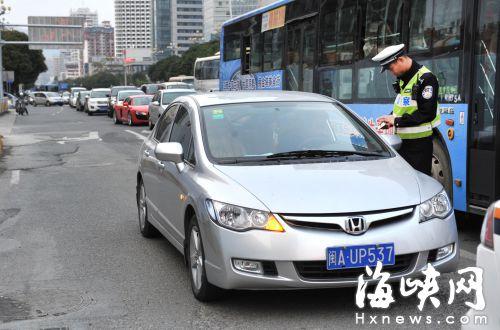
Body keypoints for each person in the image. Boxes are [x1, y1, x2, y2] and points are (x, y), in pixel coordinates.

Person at [373, 44, 440, 176]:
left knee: (419, 185)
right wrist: (390, 120)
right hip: (402, 144)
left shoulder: (426, 79)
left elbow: (427, 113)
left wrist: (396, 121)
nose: (392, 73)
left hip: (419, 146)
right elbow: (403, 107)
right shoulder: (403, 79)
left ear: (401, 60)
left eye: (391, 68)